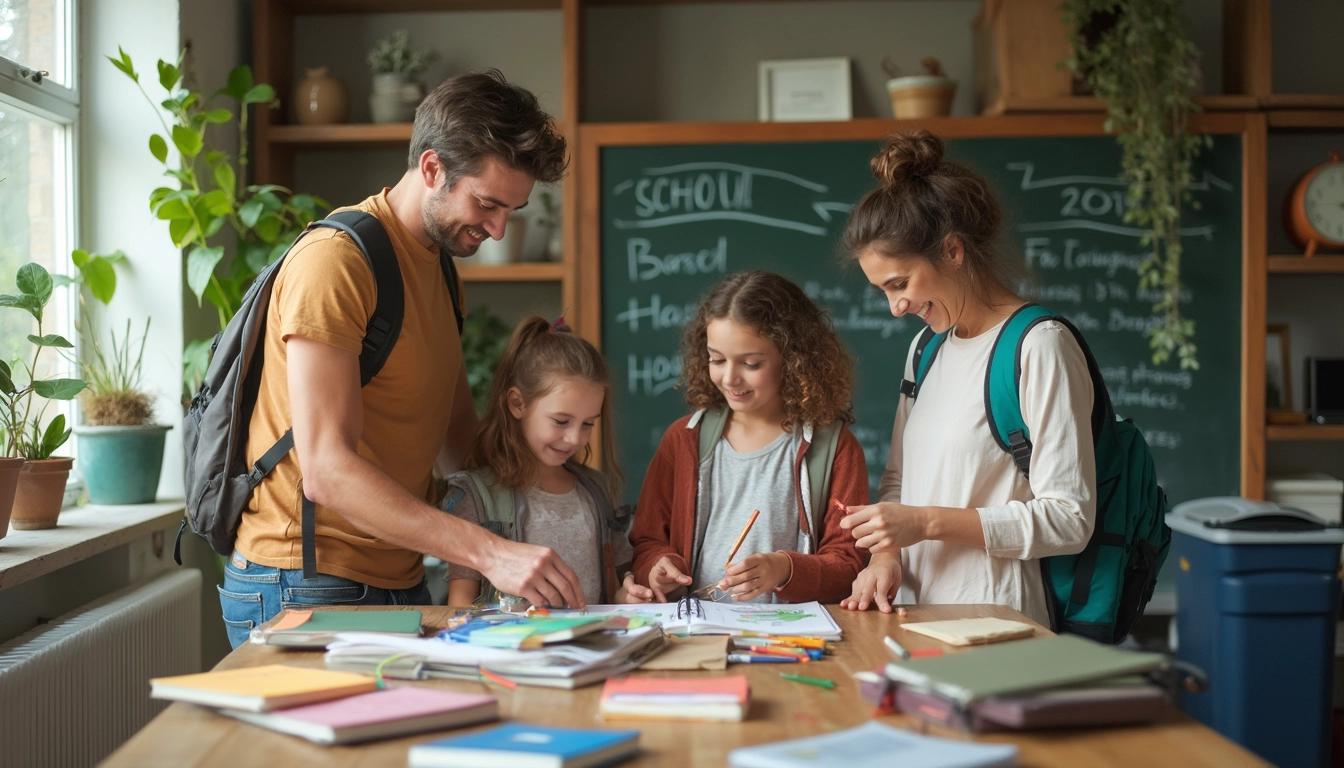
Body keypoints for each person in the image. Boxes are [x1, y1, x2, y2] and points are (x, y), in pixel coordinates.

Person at [219, 70, 584, 649]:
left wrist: (546, 512)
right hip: (302, 580)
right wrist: (490, 551)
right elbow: (327, 471)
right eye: (487, 204)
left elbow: (455, 434)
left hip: (402, 575)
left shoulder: (438, 266)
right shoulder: (336, 264)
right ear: (433, 168)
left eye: (511, 211)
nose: (497, 228)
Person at [837, 130, 1096, 625]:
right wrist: (886, 555)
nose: (896, 309)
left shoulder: (1038, 345)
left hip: (997, 624)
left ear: (952, 252)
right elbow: (898, 481)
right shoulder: (927, 349)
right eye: (883, 291)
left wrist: (925, 522)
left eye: (900, 284)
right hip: (910, 616)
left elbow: (1069, 519)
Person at [629, 270, 868, 604]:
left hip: (794, 639)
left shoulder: (833, 449)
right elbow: (646, 543)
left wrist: (784, 569)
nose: (729, 378)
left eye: (751, 364)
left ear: (793, 359)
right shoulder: (684, 440)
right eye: (716, 359)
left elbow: (850, 566)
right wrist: (657, 566)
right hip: (698, 632)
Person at [441, 316, 654, 607]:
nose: (574, 439)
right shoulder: (475, 498)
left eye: (588, 423)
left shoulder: (596, 491)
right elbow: (460, 607)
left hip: (592, 648)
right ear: (517, 404)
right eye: (561, 421)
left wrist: (625, 598)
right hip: (512, 649)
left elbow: (611, 593)